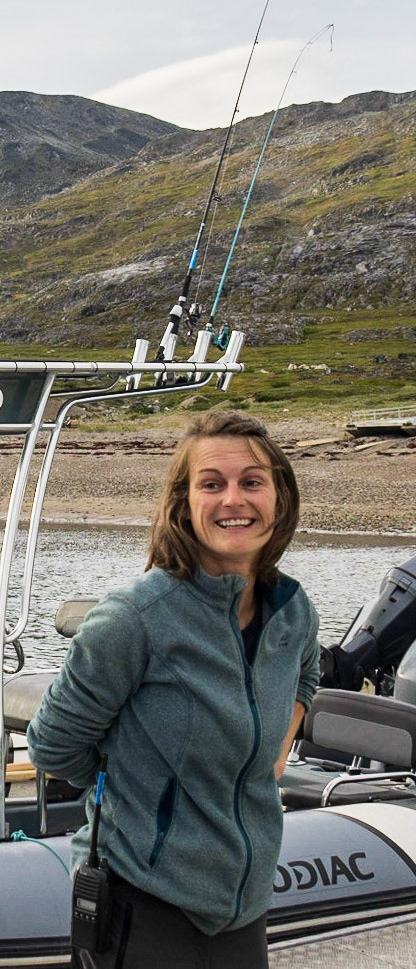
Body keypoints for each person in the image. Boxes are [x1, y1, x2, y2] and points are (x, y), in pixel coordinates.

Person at [27, 411, 320, 969]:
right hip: (145, 901)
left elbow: (308, 672)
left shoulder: (292, 609)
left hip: (245, 905)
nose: (234, 498)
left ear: (280, 497)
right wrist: (142, 792)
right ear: (184, 504)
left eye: (252, 481)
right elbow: (53, 745)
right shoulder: (136, 617)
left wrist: (276, 752)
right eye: (212, 484)